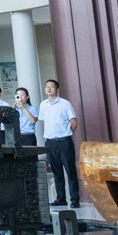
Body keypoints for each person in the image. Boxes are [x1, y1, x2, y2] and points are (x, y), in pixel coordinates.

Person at [40, 79, 81, 207]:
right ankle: (60, 199)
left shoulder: (65, 103)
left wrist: (67, 134)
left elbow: (73, 122)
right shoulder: (43, 104)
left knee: (70, 172)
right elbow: (44, 121)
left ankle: (75, 200)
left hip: (64, 142)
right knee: (57, 173)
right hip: (50, 143)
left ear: (57, 89)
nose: (48, 89)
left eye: (51, 86)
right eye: (47, 86)